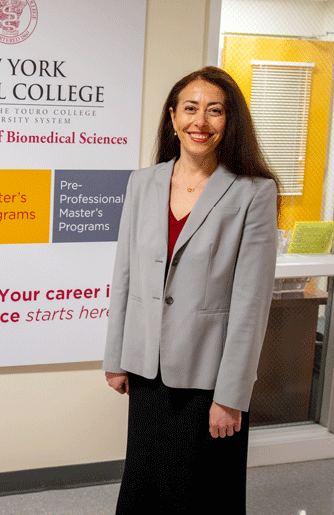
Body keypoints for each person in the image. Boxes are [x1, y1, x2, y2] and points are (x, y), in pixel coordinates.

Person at [103, 66, 279, 514]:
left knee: (199, 496)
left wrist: (231, 395)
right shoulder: (143, 183)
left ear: (229, 121)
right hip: (147, 370)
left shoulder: (253, 193)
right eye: (190, 108)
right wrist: (116, 357)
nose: (200, 121)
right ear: (173, 115)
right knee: (144, 491)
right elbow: (124, 275)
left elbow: (251, 305)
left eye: (215, 111)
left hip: (209, 378)